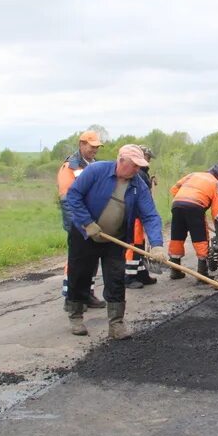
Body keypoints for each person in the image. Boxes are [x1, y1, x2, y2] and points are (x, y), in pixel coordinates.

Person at [64, 144, 167, 339]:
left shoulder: (138, 185)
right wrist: (87, 223)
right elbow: (73, 196)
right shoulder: (96, 171)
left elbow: (151, 215)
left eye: (139, 166)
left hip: (115, 239)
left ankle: (116, 323)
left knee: (116, 279)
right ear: (121, 161)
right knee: (80, 275)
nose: (137, 170)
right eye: (134, 165)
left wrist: (157, 245)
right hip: (85, 234)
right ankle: (76, 315)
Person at [57, 130, 106, 309]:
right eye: (92, 146)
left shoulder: (94, 164)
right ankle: (71, 298)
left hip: (93, 219)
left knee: (92, 259)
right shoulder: (70, 167)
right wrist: (77, 225)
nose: (95, 150)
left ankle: (87, 294)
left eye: (97, 147)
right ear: (81, 144)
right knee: (77, 260)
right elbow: (66, 198)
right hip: (77, 220)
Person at [168, 166, 218, 279]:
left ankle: (175, 270)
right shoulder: (216, 183)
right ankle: (202, 273)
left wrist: (184, 201)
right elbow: (217, 211)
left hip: (178, 204)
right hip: (195, 207)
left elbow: (174, 189)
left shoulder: (193, 174)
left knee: (177, 237)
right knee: (200, 238)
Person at [124, 146, 159, 289]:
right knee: (134, 246)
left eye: (149, 158)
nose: (148, 161)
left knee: (140, 246)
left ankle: (141, 274)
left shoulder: (143, 173)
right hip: (135, 216)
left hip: (141, 215)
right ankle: (129, 277)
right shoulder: (137, 174)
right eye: (147, 157)